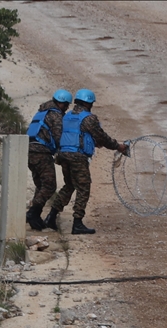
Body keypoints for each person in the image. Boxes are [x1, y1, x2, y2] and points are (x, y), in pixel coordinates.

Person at [44, 89, 128, 234]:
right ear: (89, 103)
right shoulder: (89, 118)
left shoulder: (67, 116)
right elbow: (102, 137)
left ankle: (51, 216)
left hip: (63, 155)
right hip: (77, 157)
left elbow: (76, 134)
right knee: (83, 188)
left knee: (69, 185)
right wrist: (118, 147)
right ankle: (77, 223)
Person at [25, 89, 71, 230]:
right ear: (61, 103)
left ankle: (35, 217)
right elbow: (58, 137)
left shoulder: (42, 111)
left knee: (41, 185)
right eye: (66, 105)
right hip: (41, 152)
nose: (66, 108)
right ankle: (32, 213)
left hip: (29, 150)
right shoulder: (55, 115)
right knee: (50, 186)